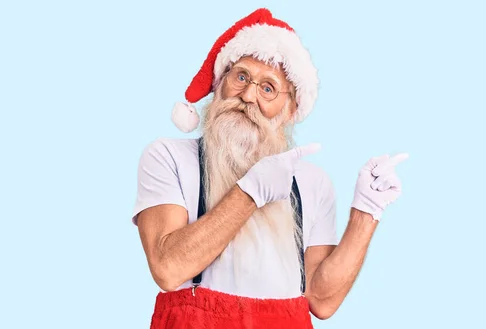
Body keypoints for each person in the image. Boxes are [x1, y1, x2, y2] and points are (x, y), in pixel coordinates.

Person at [131, 8, 408, 329]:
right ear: (220, 82)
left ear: (290, 110)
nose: (248, 96)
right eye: (241, 77)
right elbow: (168, 269)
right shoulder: (170, 157)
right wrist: (250, 192)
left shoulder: (311, 182)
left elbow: (321, 301)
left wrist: (366, 212)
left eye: (267, 88)